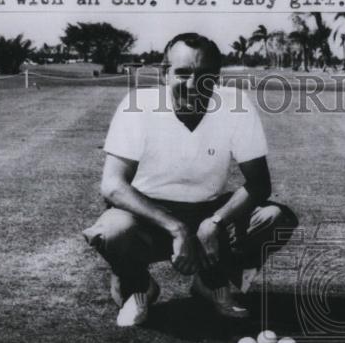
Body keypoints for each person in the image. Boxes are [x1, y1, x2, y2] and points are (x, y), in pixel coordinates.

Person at [82, 32, 297, 326]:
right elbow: (113, 186)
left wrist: (216, 222)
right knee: (112, 232)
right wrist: (177, 228)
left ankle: (211, 282)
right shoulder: (138, 105)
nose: (194, 84)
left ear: (217, 76)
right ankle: (138, 288)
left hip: (208, 212)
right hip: (148, 217)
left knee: (275, 218)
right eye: (182, 73)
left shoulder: (236, 105)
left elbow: (259, 184)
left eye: (205, 75)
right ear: (164, 74)